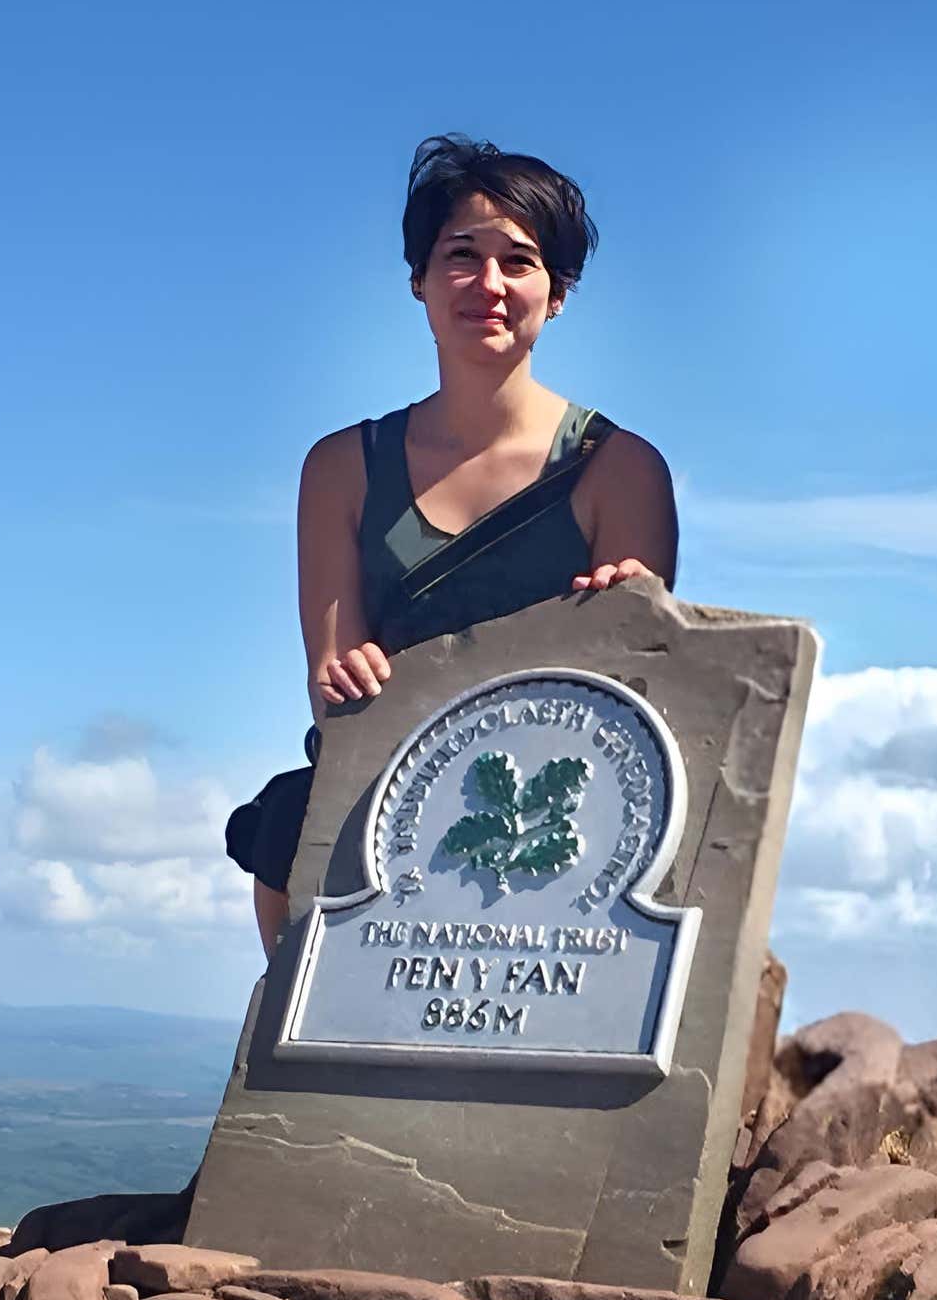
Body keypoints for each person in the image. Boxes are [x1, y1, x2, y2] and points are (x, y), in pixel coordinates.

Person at [227, 134, 680, 955]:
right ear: (420, 279)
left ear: (558, 292)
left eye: (520, 261)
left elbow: (631, 704)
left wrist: (626, 616)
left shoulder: (619, 469)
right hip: (376, 804)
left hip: (557, 816)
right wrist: (346, 675)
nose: (489, 284)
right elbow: (334, 691)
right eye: (462, 255)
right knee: (287, 818)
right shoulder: (342, 467)